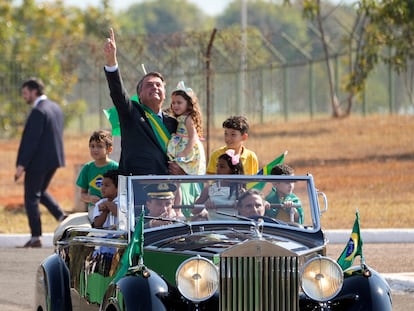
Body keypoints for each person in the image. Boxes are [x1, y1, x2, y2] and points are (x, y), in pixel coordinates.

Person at [103, 28, 179, 176]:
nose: (155, 87)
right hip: (136, 183)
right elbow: (117, 92)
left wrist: (183, 169)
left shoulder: (174, 122)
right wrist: (111, 61)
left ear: (165, 93)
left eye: (158, 85)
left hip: (165, 188)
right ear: (139, 95)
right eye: (149, 85)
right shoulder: (132, 112)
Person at [14, 77, 66, 248]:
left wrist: (21, 165)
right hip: (54, 159)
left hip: (38, 162)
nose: (24, 97)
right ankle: (61, 217)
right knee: (40, 191)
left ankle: (36, 236)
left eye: (25, 93)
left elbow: (31, 141)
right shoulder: (55, 107)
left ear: (34, 91)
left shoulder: (38, 111)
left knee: (31, 197)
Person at [76, 130, 118, 222]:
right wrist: (90, 198)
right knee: (98, 223)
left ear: (109, 149)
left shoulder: (116, 168)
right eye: (92, 146)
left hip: (113, 205)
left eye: (99, 146)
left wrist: (109, 203)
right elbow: (82, 194)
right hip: (95, 208)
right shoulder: (87, 168)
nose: (95, 149)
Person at [167, 81, 206, 175]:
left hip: (187, 149)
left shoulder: (188, 119)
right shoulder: (181, 118)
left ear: (188, 104)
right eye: (173, 103)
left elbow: (193, 137)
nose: (175, 105)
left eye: (179, 102)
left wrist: (184, 153)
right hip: (181, 146)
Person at [194, 150, 245, 220]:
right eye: (217, 166)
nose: (218, 169)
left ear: (233, 170)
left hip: (235, 228)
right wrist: (204, 205)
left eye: (222, 167)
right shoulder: (209, 189)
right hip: (214, 228)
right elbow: (194, 211)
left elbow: (248, 212)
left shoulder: (240, 190)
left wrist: (242, 206)